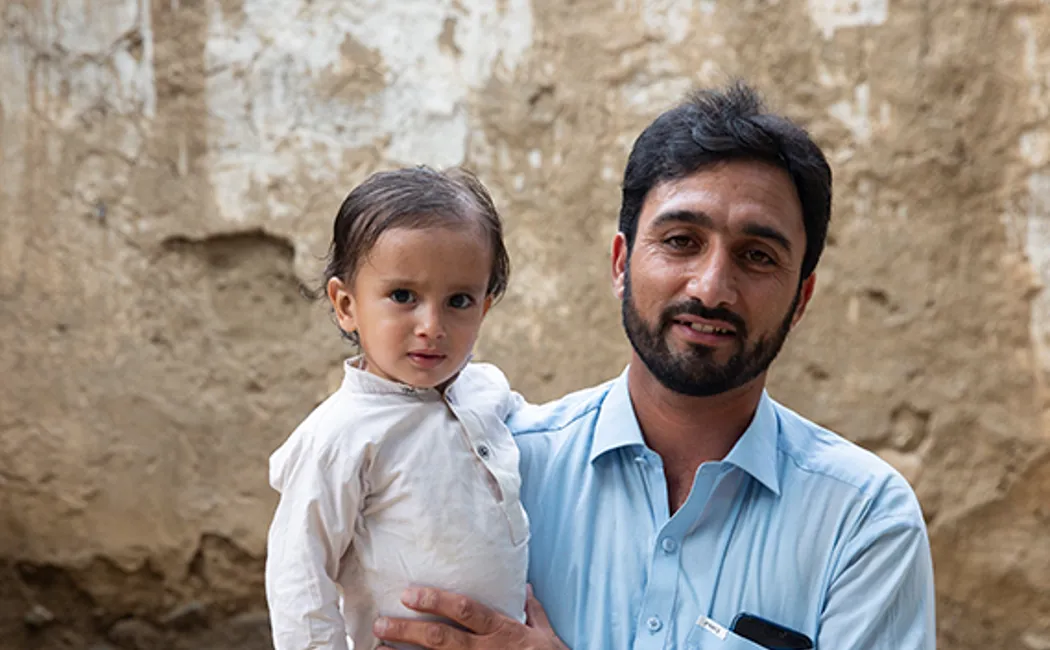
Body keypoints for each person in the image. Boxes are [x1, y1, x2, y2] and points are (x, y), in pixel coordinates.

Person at [372, 83, 936, 649]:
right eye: (681, 241)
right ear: (621, 264)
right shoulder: (498, 472)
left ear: (801, 299)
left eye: (758, 256)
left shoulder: (862, 519)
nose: (712, 288)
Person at [265, 166, 530, 650]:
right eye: (403, 296)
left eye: (459, 300)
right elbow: (299, 579)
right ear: (346, 305)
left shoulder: (486, 391)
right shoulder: (339, 436)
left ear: (485, 308)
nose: (432, 325)